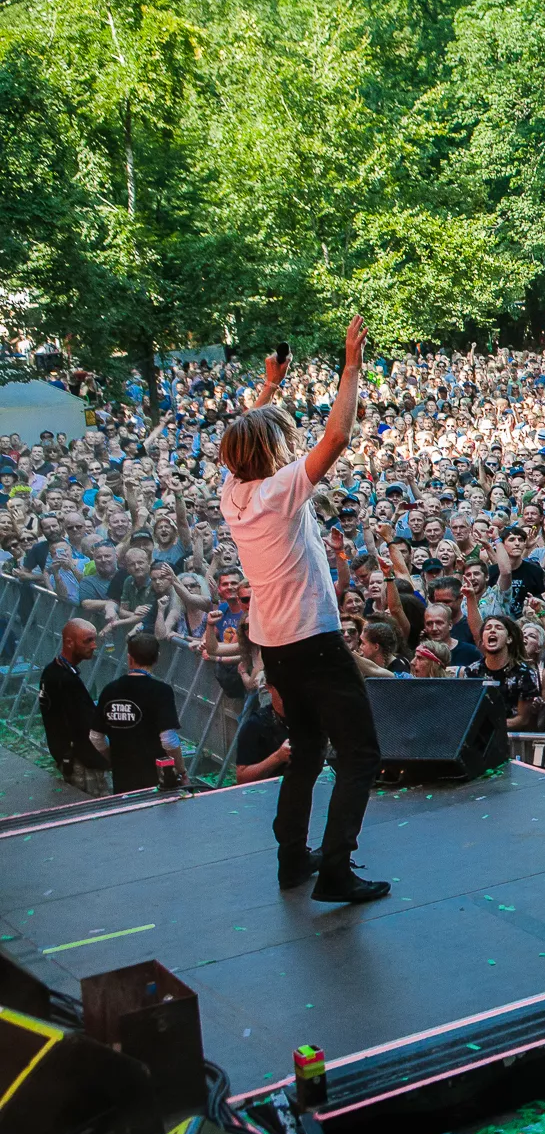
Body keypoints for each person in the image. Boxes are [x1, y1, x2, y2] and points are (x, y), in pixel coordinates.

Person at [219, 320, 386, 902]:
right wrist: (350, 364)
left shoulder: (233, 492)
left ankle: (293, 857)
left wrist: (268, 388)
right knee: (362, 752)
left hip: (277, 647)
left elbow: (239, 439)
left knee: (309, 750)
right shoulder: (276, 493)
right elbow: (336, 439)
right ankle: (337, 869)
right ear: (268, 453)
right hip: (312, 641)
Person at [92, 632, 182, 792]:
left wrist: (111, 760)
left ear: (129, 658)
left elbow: (96, 738)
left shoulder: (110, 690)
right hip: (158, 777)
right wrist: (181, 771)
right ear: (157, 658)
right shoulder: (161, 691)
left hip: (122, 776)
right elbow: (168, 740)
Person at [38, 617, 104, 788]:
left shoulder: (52, 671)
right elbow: (82, 724)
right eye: (88, 641)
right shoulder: (64, 679)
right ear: (69, 642)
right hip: (79, 762)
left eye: (94, 640)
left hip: (69, 756)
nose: (94, 646)